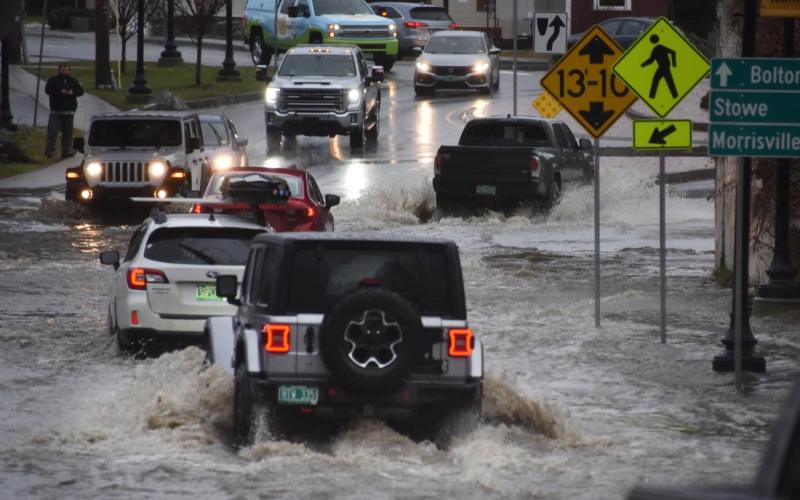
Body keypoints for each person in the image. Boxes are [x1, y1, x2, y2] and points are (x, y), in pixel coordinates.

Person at [44, 63, 84, 158]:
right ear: (59, 70)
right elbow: (47, 90)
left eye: (66, 70)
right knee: (52, 131)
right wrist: (60, 91)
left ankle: (66, 151)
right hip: (56, 111)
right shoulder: (53, 80)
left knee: (68, 133)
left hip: (69, 111)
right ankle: (50, 151)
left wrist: (72, 92)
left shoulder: (73, 80)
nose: (64, 72)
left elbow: (81, 91)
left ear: (69, 71)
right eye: (63, 70)